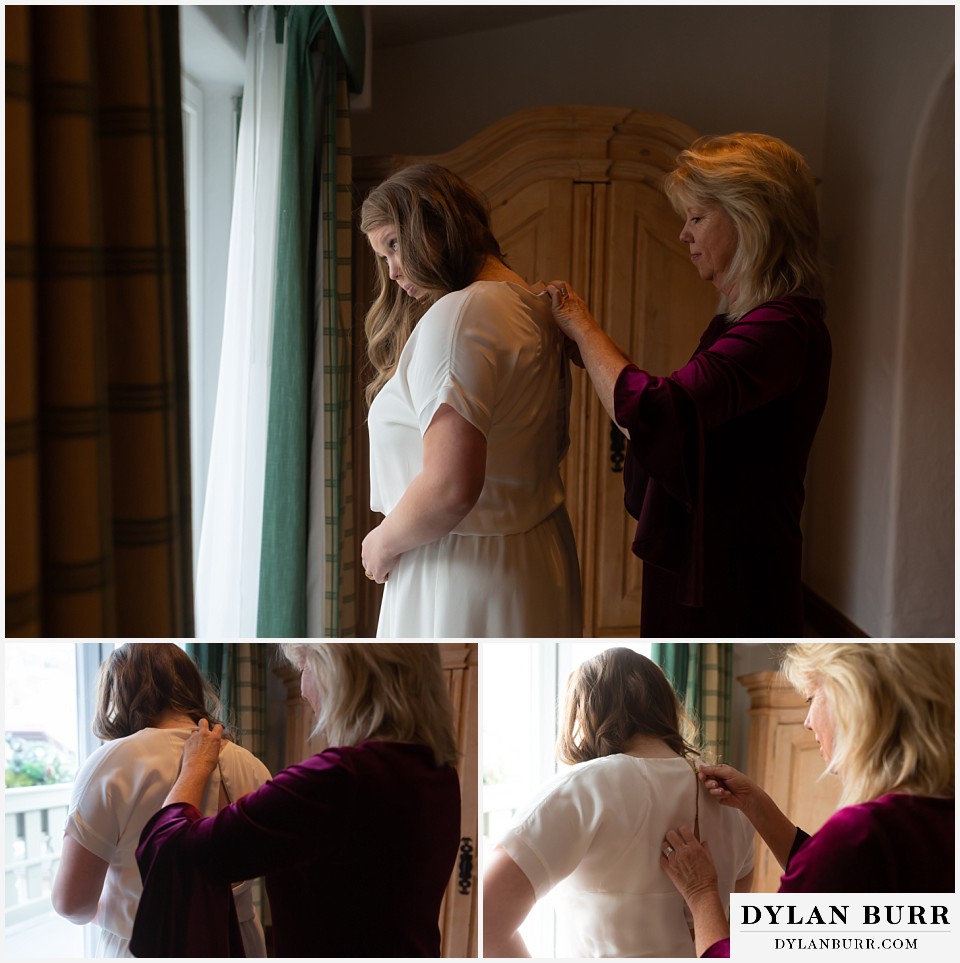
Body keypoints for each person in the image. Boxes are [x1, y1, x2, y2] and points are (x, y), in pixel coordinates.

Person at [547, 133, 831, 637]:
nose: (683, 234)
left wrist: (580, 323)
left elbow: (658, 411)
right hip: (711, 561)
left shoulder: (782, 327)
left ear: (751, 220)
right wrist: (591, 356)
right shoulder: (738, 324)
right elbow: (673, 419)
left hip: (734, 574)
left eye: (697, 218)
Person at [359, 163, 582, 637]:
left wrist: (380, 544)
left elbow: (449, 488)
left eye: (395, 244)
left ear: (438, 222)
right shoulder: (526, 303)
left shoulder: (462, 315)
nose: (393, 271)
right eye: (383, 256)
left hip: (460, 570)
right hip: (528, 558)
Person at [130, 643, 462, 958]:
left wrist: (194, 768)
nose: (303, 689)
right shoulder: (437, 772)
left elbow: (174, 848)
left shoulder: (338, 779)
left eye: (305, 665)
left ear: (341, 673)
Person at [659, 642, 955, 958]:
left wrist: (702, 893)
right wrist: (755, 802)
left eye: (811, 698)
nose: (808, 721)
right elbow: (843, 881)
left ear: (853, 703)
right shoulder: (932, 817)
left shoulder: (862, 833)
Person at [483, 648, 754, 958]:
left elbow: (486, 918)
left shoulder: (583, 790)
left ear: (586, 713)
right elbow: (728, 935)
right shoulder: (733, 801)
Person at [50, 643, 271, 957]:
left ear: (119, 693)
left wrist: (115, 913)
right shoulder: (251, 765)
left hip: (143, 946)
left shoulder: (110, 765)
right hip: (236, 943)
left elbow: (71, 903)